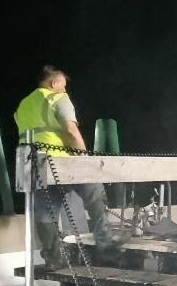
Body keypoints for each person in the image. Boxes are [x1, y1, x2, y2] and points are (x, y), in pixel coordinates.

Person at [14, 65, 113, 265]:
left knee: (44, 211)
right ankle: (105, 245)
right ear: (54, 83)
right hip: (61, 162)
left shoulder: (23, 105)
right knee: (94, 191)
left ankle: (53, 258)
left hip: (32, 164)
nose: (65, 90)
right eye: (63, 85)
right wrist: (85, 159)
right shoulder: (57, 98)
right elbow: (71, 132)